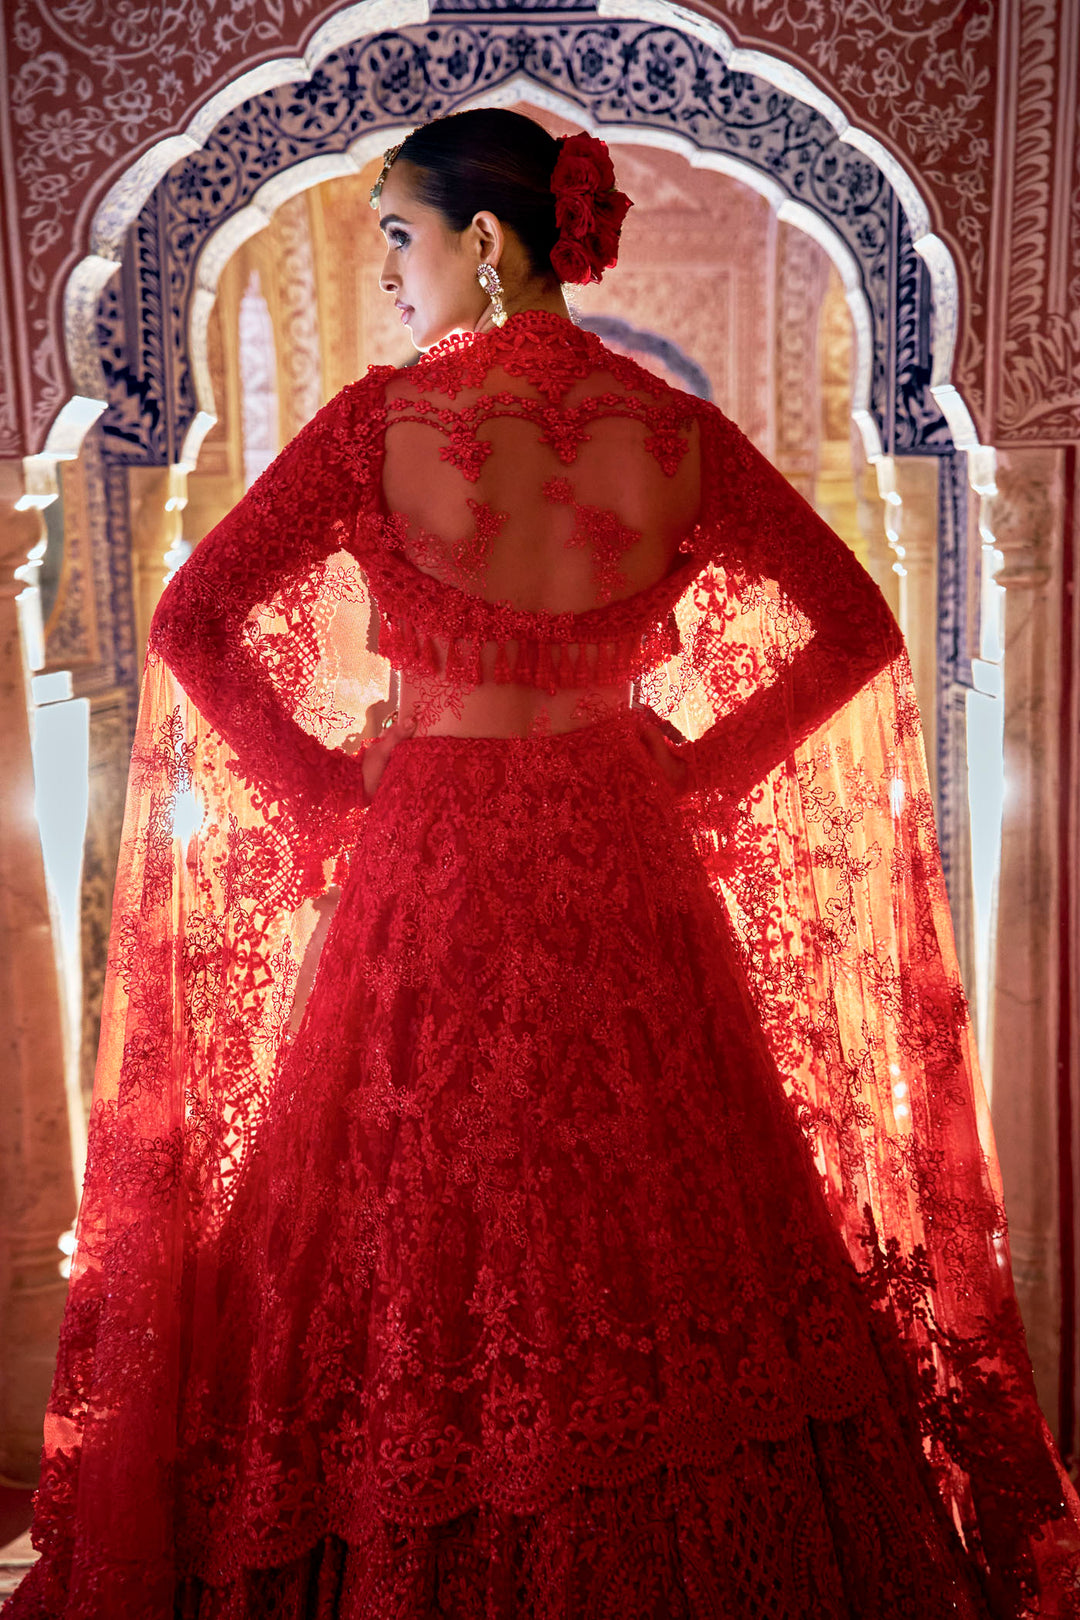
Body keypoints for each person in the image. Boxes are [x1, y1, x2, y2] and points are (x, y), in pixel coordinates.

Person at [7, 107, 1080, 1620]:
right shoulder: (672, 435)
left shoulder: (386, 430)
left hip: (433, 864)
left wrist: (327, 783)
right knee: (663, 1201)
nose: (390, 275)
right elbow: (859, 631)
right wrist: (698, 768)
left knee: (418, 1213)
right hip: (627, 865)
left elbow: (191, 624)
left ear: (486, 243)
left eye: (399, 234)